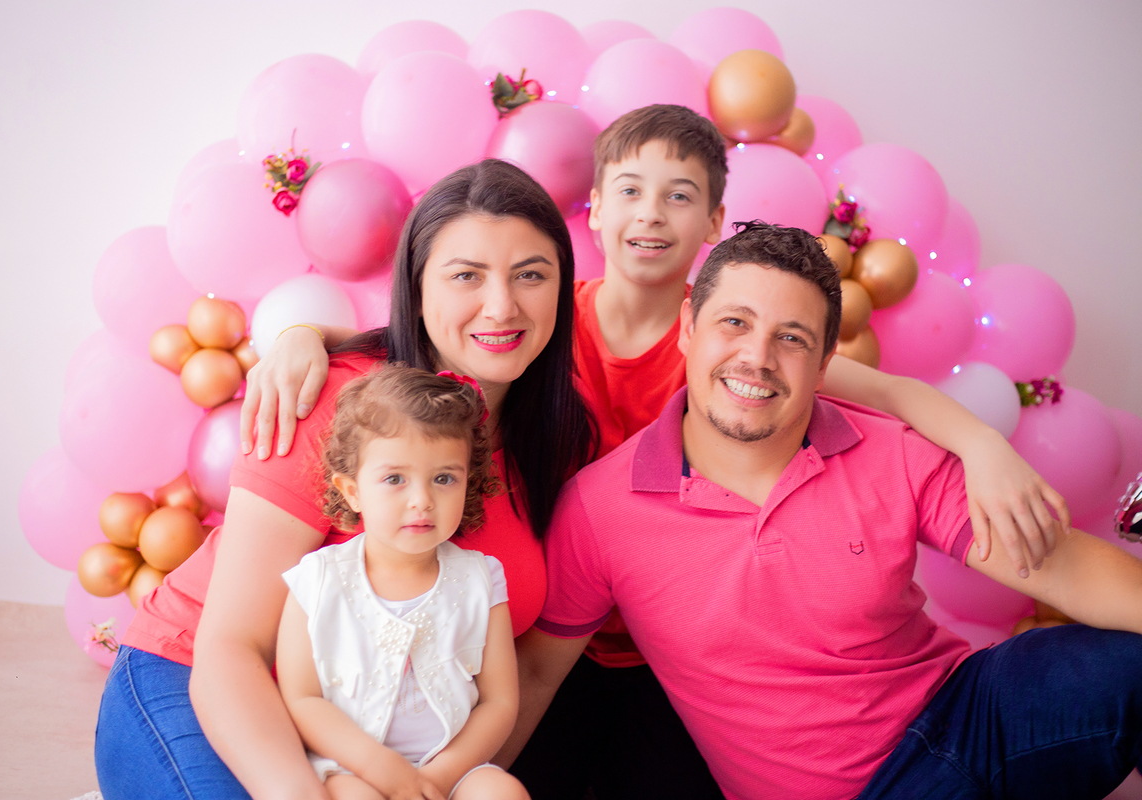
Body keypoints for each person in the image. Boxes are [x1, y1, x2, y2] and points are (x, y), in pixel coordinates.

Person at [244, 106, 1070, 798]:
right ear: (596, 211)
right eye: (631, 191)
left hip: (685, 654)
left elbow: (881, 391)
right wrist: (303, 333)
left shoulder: (726, 349)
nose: (651, 215)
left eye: (680, 197)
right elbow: (422, 340)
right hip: (553, 633)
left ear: (713, 221)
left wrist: (981, 442)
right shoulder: (538, 323)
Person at [505, 221, 1142, 800]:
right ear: (688, 327)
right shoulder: (599, 508)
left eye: (791, 338)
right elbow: (534, 675)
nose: (757, 357)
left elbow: (1066, 568)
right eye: (734, 323)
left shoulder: (889, 449)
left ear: (824, 362)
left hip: (967, 716)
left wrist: (982, 444)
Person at [94, 159, 593, 800]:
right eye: (466, 275)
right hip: (202, 683)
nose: (501, 306)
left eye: (531, 274)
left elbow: (512, 682)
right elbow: (231, 650)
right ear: (417, 287)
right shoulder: (334, 398)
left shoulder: (558, 441)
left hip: (386, 749)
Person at [276, 366, 529, 800]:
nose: (421, 500)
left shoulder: (480, 580)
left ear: (467, 483)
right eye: (395, 479)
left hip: (449, 769)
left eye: (444, 478)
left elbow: (500, 702)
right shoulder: (318, 580)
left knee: (502, 793)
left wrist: (438, 777)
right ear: (353, 491)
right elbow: (302, 698)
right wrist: (381, 769)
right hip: (351, 770)